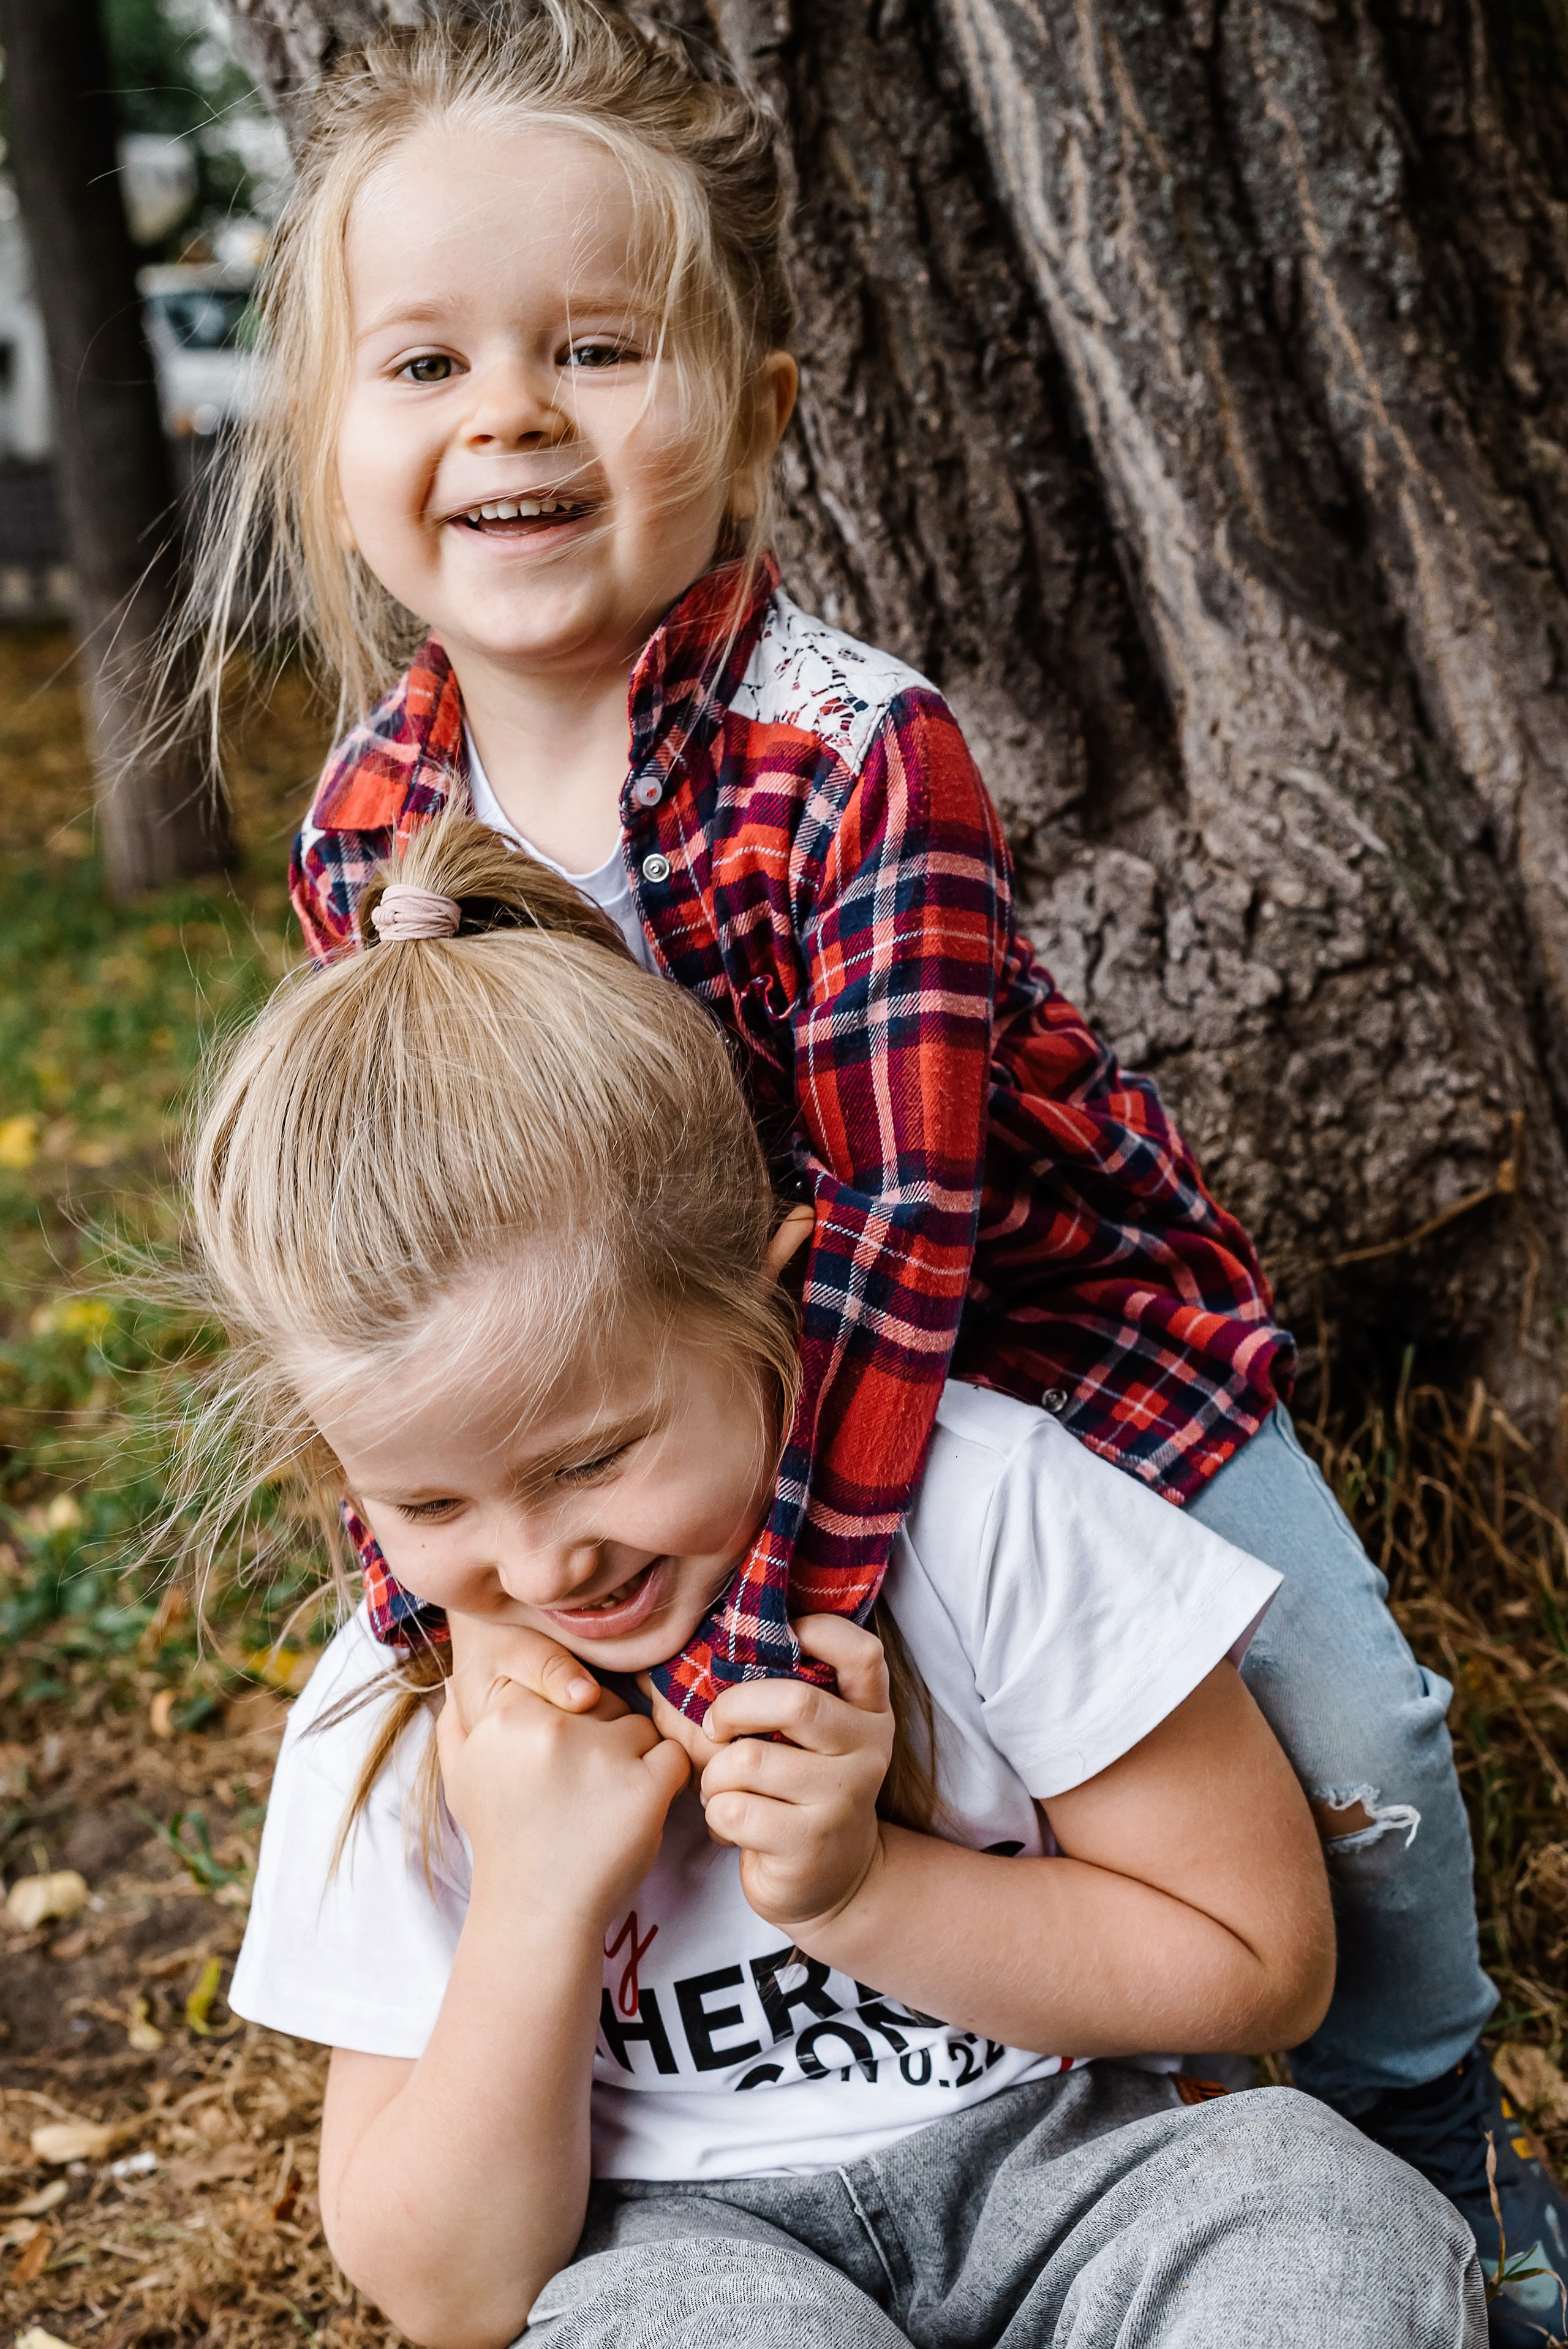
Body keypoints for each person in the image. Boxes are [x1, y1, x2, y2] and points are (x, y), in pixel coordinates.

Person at [179, 4, 1564, 2327]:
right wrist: (448, 1609)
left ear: (756, 414)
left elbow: (912, 1226)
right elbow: (388, 1247)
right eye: (420, 367)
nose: (510, 413)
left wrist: (781, 1617)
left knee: (1362, 1723)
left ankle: (1428, 2147)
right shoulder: (366, 823)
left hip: (1029, 1340)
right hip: (655, 1391)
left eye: (597, 349)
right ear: (324, 452)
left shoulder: (850, 748)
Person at [203, 816, 1483, 2349]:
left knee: (1319, 2222)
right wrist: (535, 1899)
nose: (544, 1562)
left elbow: (1260, 1962)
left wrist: (867, 1889)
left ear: (771, 1299)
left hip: (1086, 2170)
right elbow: (451, 2289)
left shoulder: (979, 1508)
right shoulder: (398, 1702)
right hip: (675, 2251)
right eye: (424, 1499)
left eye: (592, 1457)